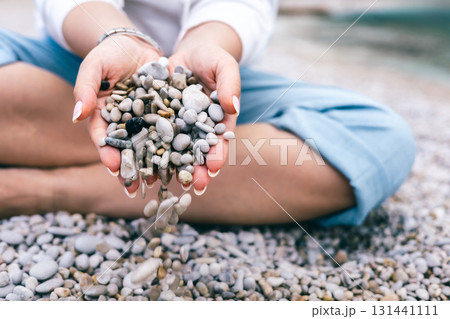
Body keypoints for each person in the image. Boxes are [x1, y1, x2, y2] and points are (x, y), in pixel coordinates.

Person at [0, 0, 415, 226]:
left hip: (213, 77)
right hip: (79, 52)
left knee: (381, 137)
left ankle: (42, 187)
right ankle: (131, 149)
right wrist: (119, 39)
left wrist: (207, 46)